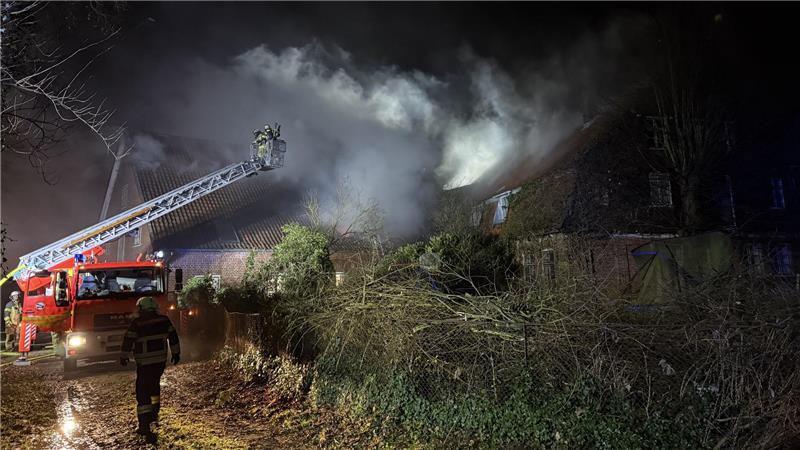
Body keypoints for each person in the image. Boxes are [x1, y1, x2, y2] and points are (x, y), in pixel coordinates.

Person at [121, 296, 181, 435]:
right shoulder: (164, 320)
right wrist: (176, 354)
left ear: (141, 309)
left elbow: (128, 340)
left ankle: (144, 425)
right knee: (154, 384)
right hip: (159, 362)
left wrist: (124, 356)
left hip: (144, 363)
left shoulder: (137, 323)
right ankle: (154, 412)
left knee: (142, 391)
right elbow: (173, 337)